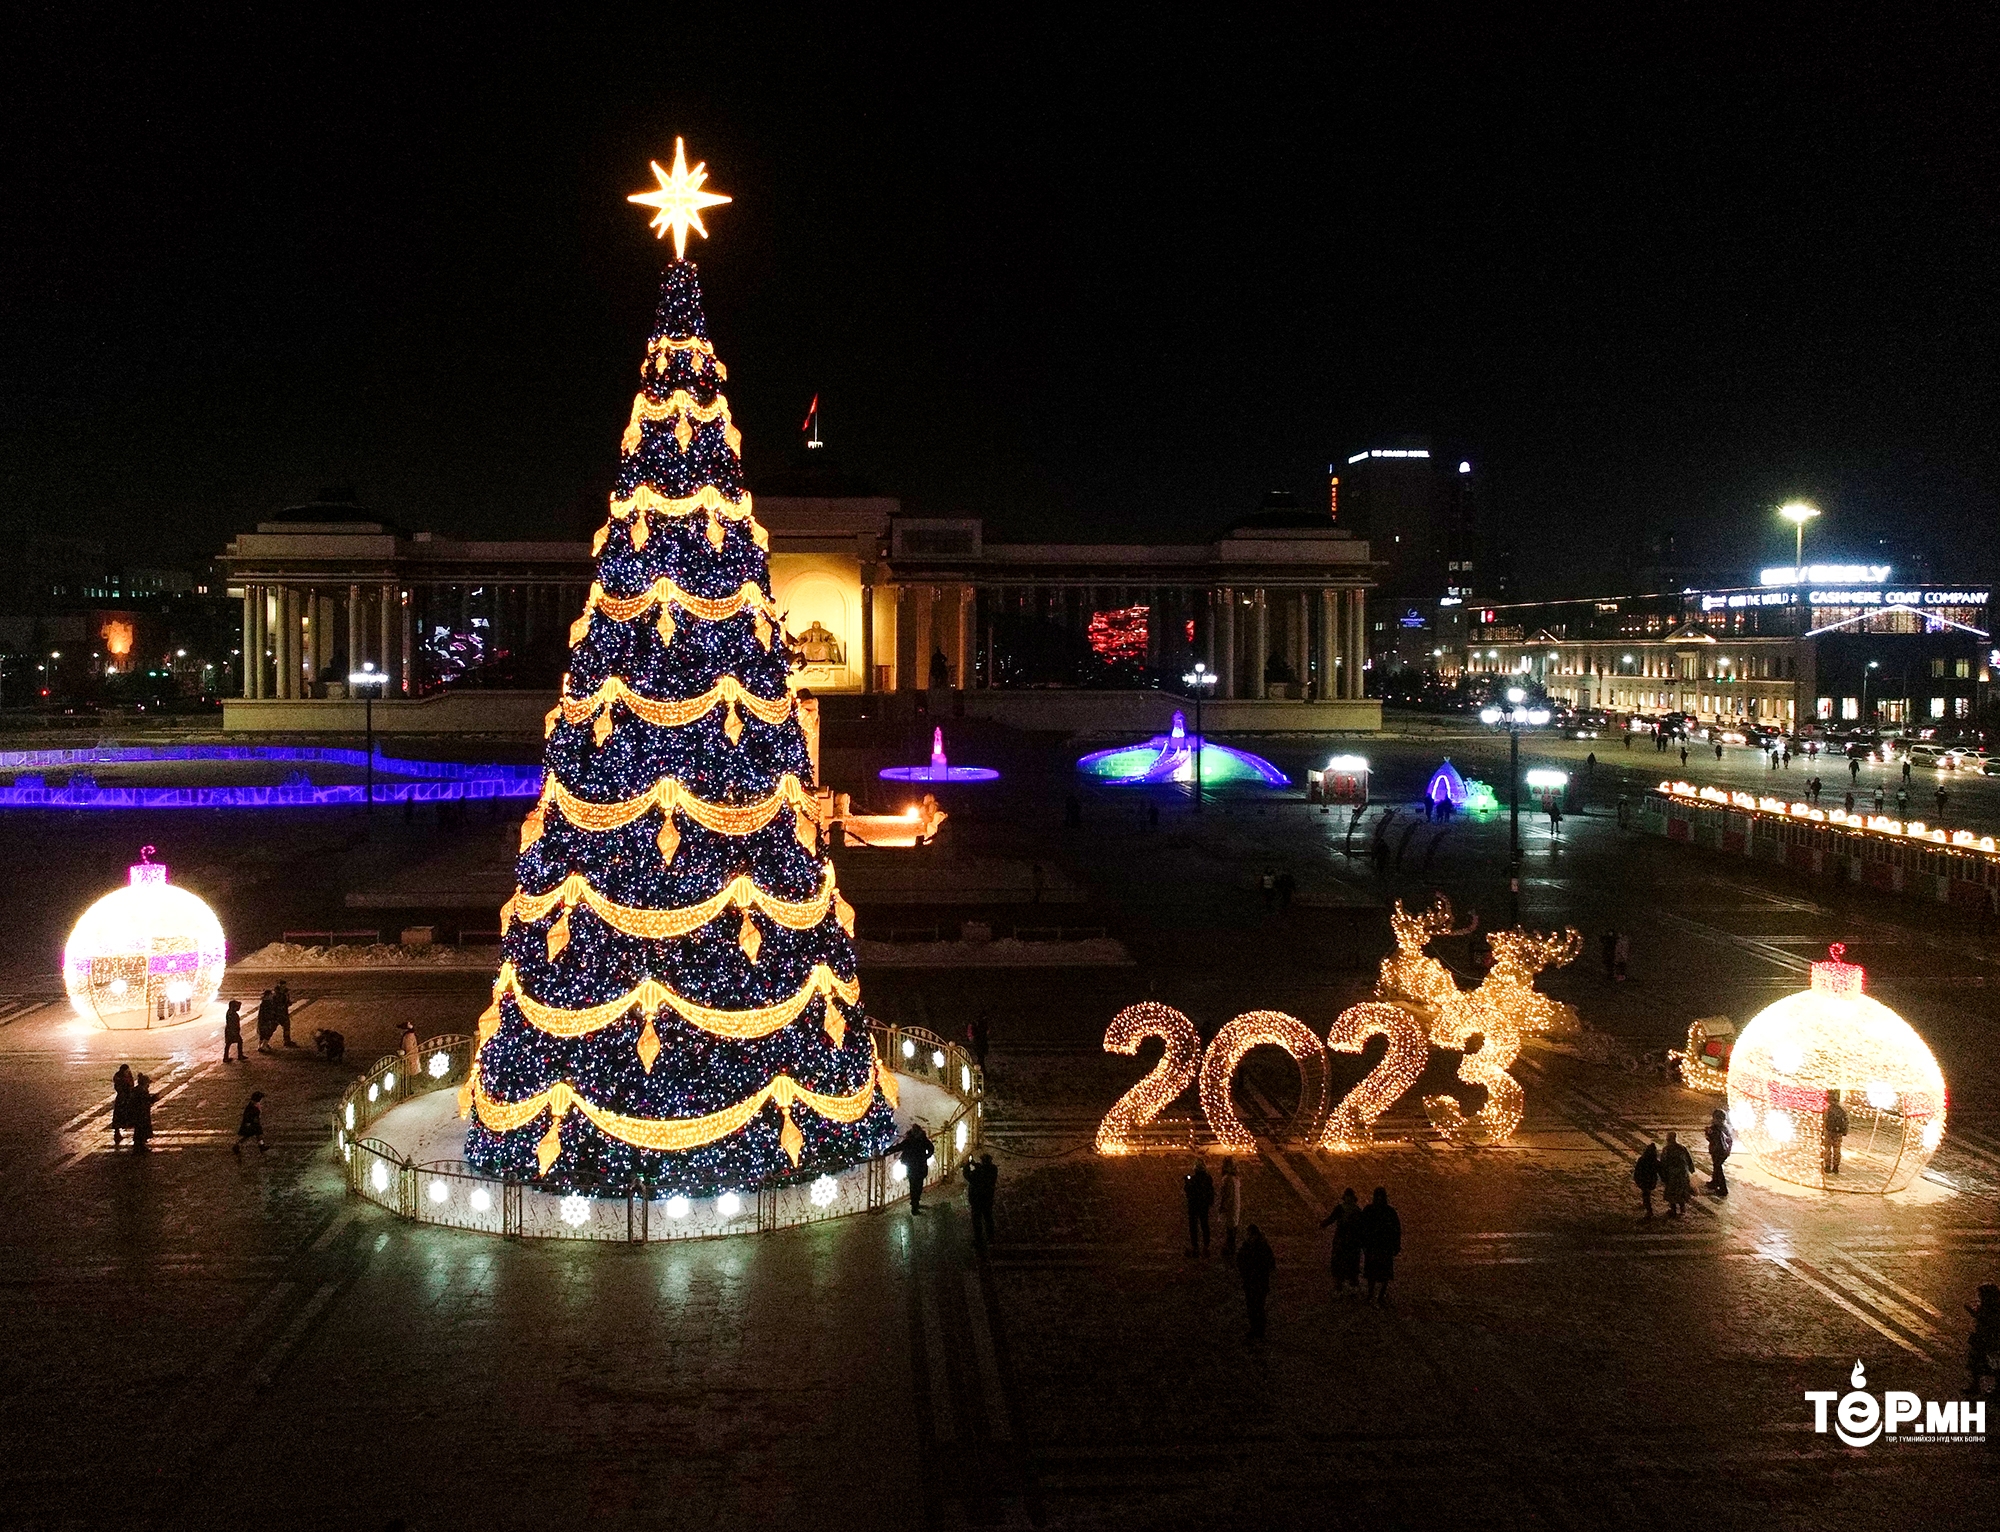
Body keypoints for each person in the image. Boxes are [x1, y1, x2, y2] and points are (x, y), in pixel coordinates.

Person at [1357, 1187, 1401, 1304]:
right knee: (1373, 1272)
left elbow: (1396, 1230)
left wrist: (1395, 1245)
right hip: (1375, 1246)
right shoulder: (1387, 1212)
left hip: (1382, 1247)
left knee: (1383, 1273)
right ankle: (1372, 1294)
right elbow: (1362, 1227)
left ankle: (1379, 1295)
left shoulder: (1381, 1211)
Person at [1236, 1225, 1276, 1341]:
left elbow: (1270, 1264)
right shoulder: (1249, 1246)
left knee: (1257, 1307)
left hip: (1258, 1283)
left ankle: (1258, 1330)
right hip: (1251, 1283)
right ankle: (1255, 1329)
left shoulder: (1261, 1248)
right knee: (1252, 1307)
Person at [1320, 1187, 1363, 1293]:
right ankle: (1340, 1286)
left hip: (1349, 1240)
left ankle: (1350, 1285)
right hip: (1343, 1240)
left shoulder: (1356, 1210)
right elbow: (1332, 1218)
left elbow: (1361, 1226)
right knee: (1343, 1263)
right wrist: (1324, 1223)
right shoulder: (1350, 1209)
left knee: (1348, 1263)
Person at [889, 1123, 935, 1214]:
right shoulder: (919, 1139)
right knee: (916, 1186)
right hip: (918, 1166)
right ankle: (915, 1205)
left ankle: (915, 1203)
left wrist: (926, 1156)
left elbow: (900, 1147)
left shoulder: (915, 1139)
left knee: (915, 1186)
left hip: (914, 1166)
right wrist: (926, 1156)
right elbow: (931, 1148)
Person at [1967, 1283, 2000, 1404]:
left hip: (1988, 1344)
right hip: (1984, 1343)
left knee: (1986, 1367)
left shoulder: (1992, 1311)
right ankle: (1976, 1387)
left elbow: (1988, 1325)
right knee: (1978, 1367)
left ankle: (1988, 1392)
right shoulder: (1989, 1308)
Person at [962, 1153, 998, 1250]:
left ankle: (979, 1239)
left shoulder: (978, 1172)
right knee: (988, 1217)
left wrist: (966, 1166)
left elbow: (968, 1176)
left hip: (977, 1199)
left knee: (977, 1219)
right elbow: (983, 1169)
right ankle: (991, 1236)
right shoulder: (993, 1169)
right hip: (988, 1198)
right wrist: (975, 1164)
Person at [1183, 1156, 1214, 1257]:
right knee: (1204, 1224)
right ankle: (1206, 1246)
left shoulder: (1194, 1179)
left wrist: (1187, 1181)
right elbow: (1210, 1191)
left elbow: (1188, 1191)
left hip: (1194, 1205)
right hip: (1204, 1205)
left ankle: (1195, 1246)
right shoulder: (1208, 1179)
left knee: (1194, 1226)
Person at [1659, 1130, 1695, 1217]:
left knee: (1672, 1193)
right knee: (1681, 1192)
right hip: (1682, 1174)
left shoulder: (1666, 1150)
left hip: (1672, 1175)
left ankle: (1673, 1210)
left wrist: (1663, 1175)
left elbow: (1663, 1163)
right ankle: (1682, 1209)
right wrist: (1691, 1169)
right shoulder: (1682, 1148)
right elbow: (1689, 1160)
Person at [1216, 1156, 1243, 1263]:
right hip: (1234, 1206)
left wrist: (1222, 1207)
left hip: (1230, 1207)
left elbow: (1226, 1196)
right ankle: (1231, 1247)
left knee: (1230, 1229)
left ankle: (1230, 1248)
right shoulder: (1235, 1179)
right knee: (1232, 1229)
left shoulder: (1228, 1179)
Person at [1705, 1108, 1733, 1196]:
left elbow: (1712, 1139)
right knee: (1716, 1166)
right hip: (1724, 1151)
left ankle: (1723, 1188)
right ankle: (1714, 1182)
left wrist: (1708, 1133)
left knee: (1718, 1168)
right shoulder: (1725, 1128)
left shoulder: (1716, 1128)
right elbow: (1729, 1140)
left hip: (1718, 1151)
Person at [110, 1063, 137, 1148]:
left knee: (124, 1116)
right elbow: (122, 1087)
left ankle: (120, 1132)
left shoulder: (126, 1076)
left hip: (126, 1098)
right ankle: (117, 1133)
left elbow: (131, 1085)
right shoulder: (119, 1078)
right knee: (119, 1116)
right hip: (122, 1099)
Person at [131, 1073, 159, 1152]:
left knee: (139, 1129)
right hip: (142, 1114)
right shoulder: (142, 1091)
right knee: (141, 1129)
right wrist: (154, 1099)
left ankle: (139, 1144)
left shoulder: (137, 1090)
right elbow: (145, 1101)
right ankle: (140, 1145)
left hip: (139, 1113)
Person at [1823, 1091, 1849, 1176]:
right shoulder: (1842, 1109)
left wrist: (1824, 1130)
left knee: (1827, 1149)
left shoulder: (1828, 1108)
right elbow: (1846, 1120)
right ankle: (1836, 1167)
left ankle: (1827, 1166)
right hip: (1838, 1133)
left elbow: (1825, 1120)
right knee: (1837, 1149)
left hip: (1829, 1131)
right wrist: (1844, 1131)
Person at [1633, 1140, 1661, 1218]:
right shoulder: (1655, 1161)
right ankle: (1646, 1207)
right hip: (1651, 1180)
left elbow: (1637, 1170)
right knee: (1646, 1194)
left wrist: (1637, 1179)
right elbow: (1660, 1169)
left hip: (1644, 1180)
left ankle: (1649, 1211)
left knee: (1646, 1195)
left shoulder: (1642, 1160)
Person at [273, 979, 296, 1047]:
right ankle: (264, 1041)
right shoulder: (276, 994)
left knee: (286, 1027)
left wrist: (289, 1003)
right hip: (278, 1013)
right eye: (282, 985)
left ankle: (287, 1041)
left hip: (284, 1012)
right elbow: (276, 1003)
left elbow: (286, 1001)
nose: (284, 987)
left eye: (284, 985)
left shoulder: (286, 993)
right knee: (272, 1027)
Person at [255, 987, 277, 1054]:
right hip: (267, 1021)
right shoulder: (268, 1003)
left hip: (262, 1021)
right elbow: (270, 1012)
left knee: (262, 1034)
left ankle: (260, 1046)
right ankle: (263, 1046)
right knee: (268, 1033)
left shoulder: (263, 1003)